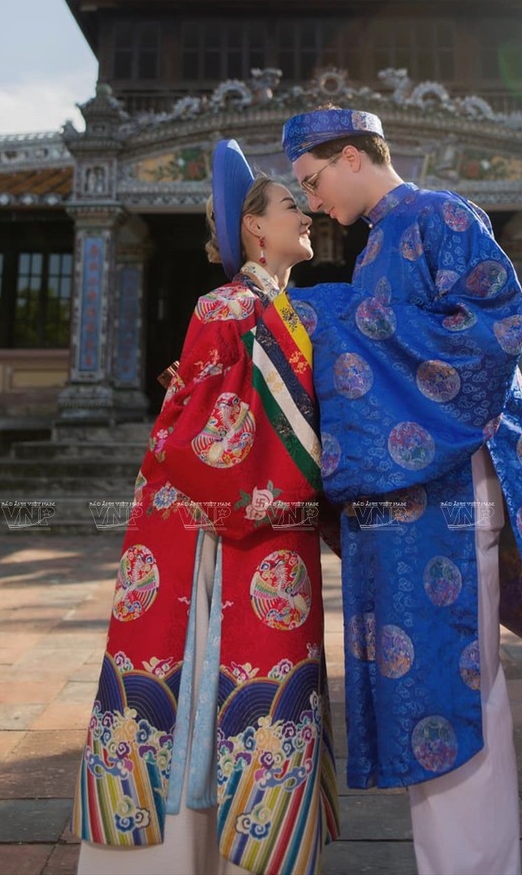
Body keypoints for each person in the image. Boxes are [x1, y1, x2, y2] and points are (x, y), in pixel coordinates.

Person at [281, 107, 522, 875]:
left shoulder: (439, 215)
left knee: (462, 680)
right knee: (425, 682)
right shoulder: (374, 248)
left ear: (356, 154)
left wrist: (327, 313)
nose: (315, 201)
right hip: (407, 501)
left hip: (450, 490)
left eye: (315, 180)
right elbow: (379, 355)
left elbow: (490, 331)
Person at [71, 139, 340, 875]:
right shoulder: (229, 304)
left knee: (255, 673)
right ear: (255, 228)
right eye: (292, 204)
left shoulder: (284, 310)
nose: (307, 211)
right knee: (208, 672)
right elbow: (201, 433)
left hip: (267, 523)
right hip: (224, 531)